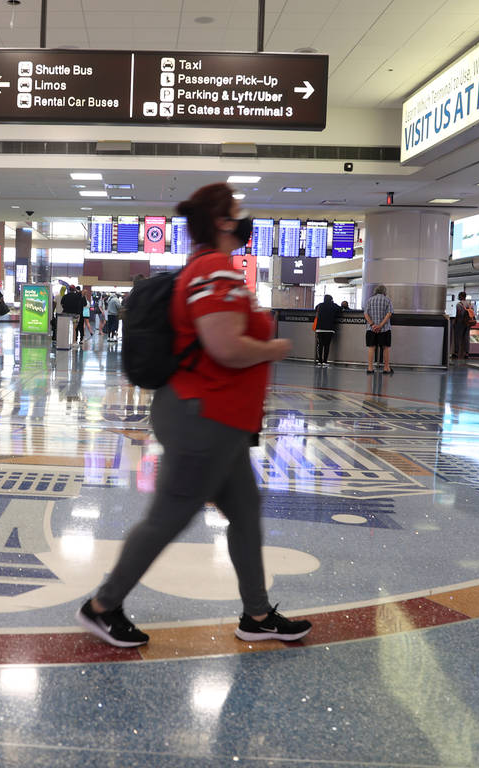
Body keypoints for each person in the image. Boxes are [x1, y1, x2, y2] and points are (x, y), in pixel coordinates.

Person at [76, 182, 311, 649]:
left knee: (245, 513)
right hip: (202, 417)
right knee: (168, 517)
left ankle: (257, 613)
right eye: (238, 211)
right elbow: (225, 346)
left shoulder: (211, 269)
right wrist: (276, 347)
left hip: (220, 420)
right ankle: (102, 606)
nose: (245, 218)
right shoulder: (212, 269)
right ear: (223, 221)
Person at [363, 284, 394, 374]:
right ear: (384, 292)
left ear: (375, 291)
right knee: (385, 348)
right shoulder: (387, 300)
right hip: (384, 329)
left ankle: (370, 368)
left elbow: (365, 314)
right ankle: (386, 368)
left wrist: (372, 324)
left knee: (371, 347)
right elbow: (389, 314)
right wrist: (380, 325)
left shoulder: (369, 300)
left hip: (371, 328)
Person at [313, 293, 341, 366]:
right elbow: (340, 309)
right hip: (329, 329)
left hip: (320, 328)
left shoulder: (320, 305)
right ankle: (325, 361)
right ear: (331, 299)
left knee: (320, 345)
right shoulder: (334, 305)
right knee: (327, 345)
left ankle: (319, 361)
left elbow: (315, 309)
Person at [452, 291, 475, 360]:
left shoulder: (459, 304)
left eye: (459, 296)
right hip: (468, 323)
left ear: (461, 296)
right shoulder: (470, 304)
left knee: (458, 338)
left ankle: (456, 353)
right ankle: (466, 353)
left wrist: (455, 322)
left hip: (460, 323)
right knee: (466, 338)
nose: (458, 297)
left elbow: (458, 314)